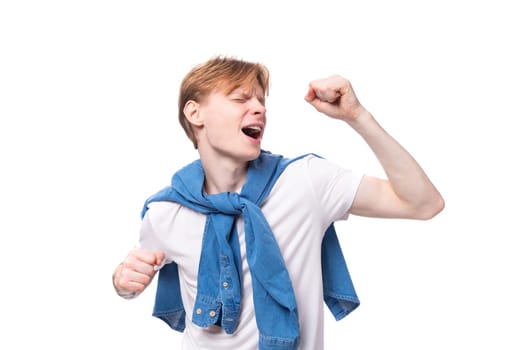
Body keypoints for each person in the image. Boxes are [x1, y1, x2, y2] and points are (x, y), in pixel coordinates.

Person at [112, 56, 444, 350]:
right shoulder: (165, 212)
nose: (259, 108)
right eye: (240, 98)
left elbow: (422, 203)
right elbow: (135, 274)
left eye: (260, 100)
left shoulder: (305, 181)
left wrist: (357, 116)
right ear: (194, 112)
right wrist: (122, 283)